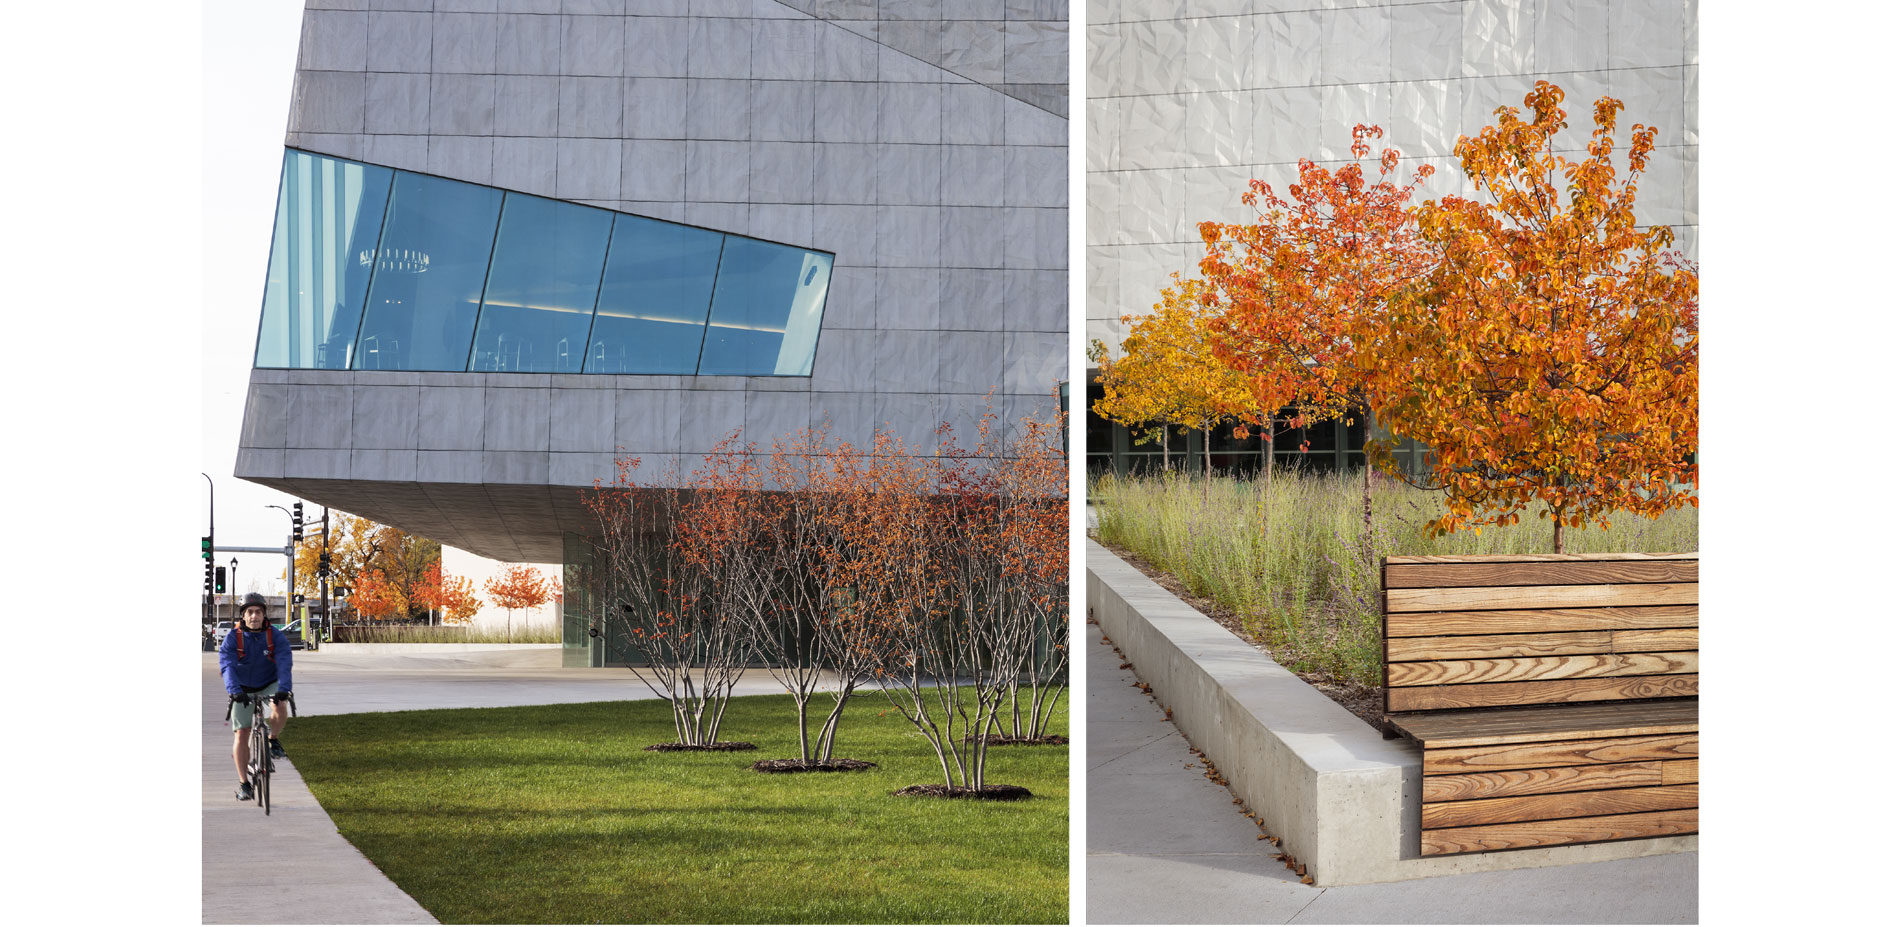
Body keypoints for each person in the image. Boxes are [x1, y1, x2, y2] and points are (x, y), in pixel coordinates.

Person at [219, 592, 293, 801]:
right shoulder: (233, 638)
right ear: (243, 616)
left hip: (269, 682)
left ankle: (273, 740)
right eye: (250, 612)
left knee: (280, 704)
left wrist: (283, 688)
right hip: (242, 688)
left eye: (258, 612)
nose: (254, 616)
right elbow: (227, 665)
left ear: (263, 615)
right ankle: (245, 784)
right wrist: (234, 691)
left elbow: (284, 661)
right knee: (242, 733)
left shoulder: (274, 636)